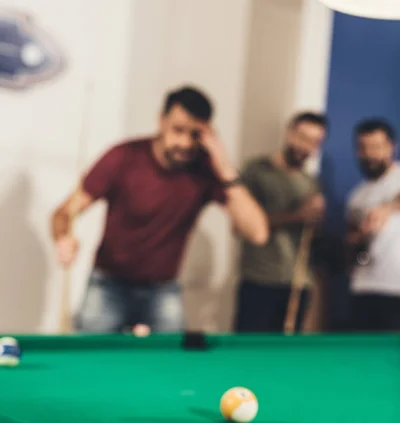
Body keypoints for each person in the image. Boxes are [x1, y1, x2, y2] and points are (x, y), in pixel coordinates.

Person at [51, 86, 269, 333]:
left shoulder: (205, 169)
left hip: (163, 289)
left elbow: (258, 233)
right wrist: (63, 238)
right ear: (161, 120)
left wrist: (224, 164)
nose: (185, 143)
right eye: (178, 130)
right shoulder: (123, 156)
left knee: (174, 369)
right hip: (108, 285)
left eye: (195, 134)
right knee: (89, 364)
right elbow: (63, 213)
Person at [235, 112, 328, 333]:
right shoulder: (257, 171)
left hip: (297, 284)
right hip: (260, 280)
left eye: (315, 142)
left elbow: (313, 236)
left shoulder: (311, 182)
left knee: (287, 359)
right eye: (303, 138)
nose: (306, 147)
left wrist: (316, 219)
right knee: (251, 355)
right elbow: (241, 225)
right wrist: (296, 216)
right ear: (289, 133)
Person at [346, 118, 400, 332]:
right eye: (363, 147)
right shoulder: (356, 196)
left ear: (391, 147)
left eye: (376, 147)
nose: (369, 154)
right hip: (363, 287)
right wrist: (356, 238)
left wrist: (386, 208)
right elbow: (350, 243)